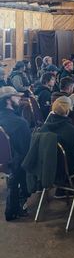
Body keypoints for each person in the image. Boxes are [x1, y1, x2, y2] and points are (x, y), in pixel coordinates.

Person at [0, 87, 31, 221]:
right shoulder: (20, 123)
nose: (19, 98)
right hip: (16, 163)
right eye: (16, 96)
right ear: (8, 100)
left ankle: (14, 206)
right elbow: (27, 150)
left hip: (4, 161)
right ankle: (22, 199)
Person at [40, 96, 74, 177]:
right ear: (68, 111)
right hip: (69, 172)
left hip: (49, 170)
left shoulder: (43, 128)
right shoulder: (72, 131)